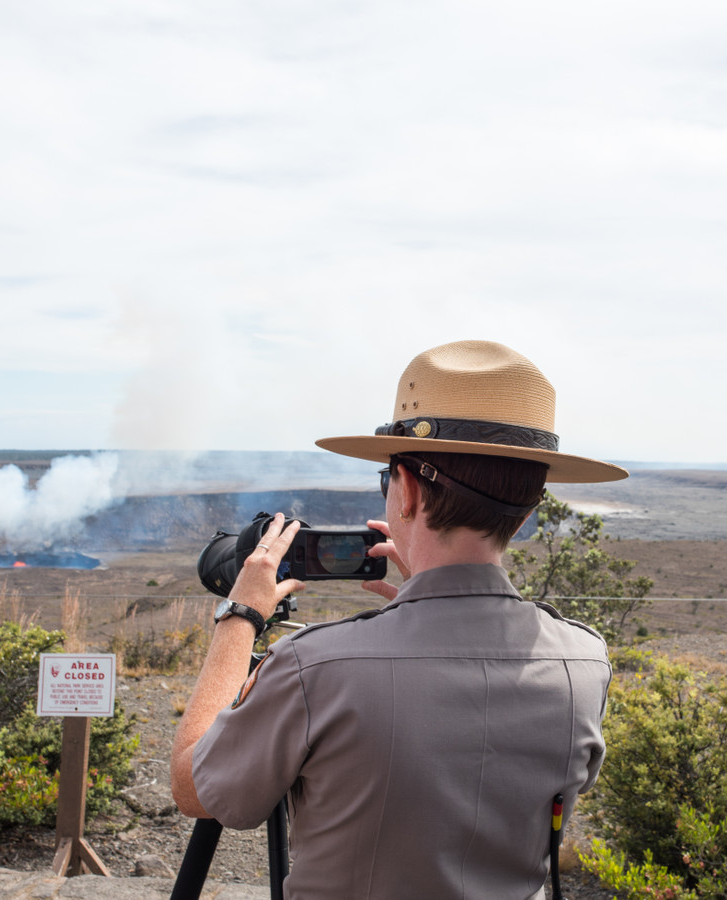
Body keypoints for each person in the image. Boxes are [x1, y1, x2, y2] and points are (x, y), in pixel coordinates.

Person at [170, 339, 628, 898]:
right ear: (530, 507)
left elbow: (195, 787)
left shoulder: (316, 669)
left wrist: (240, 616)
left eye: (387, 480)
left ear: (406, 490)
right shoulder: (584, 663)